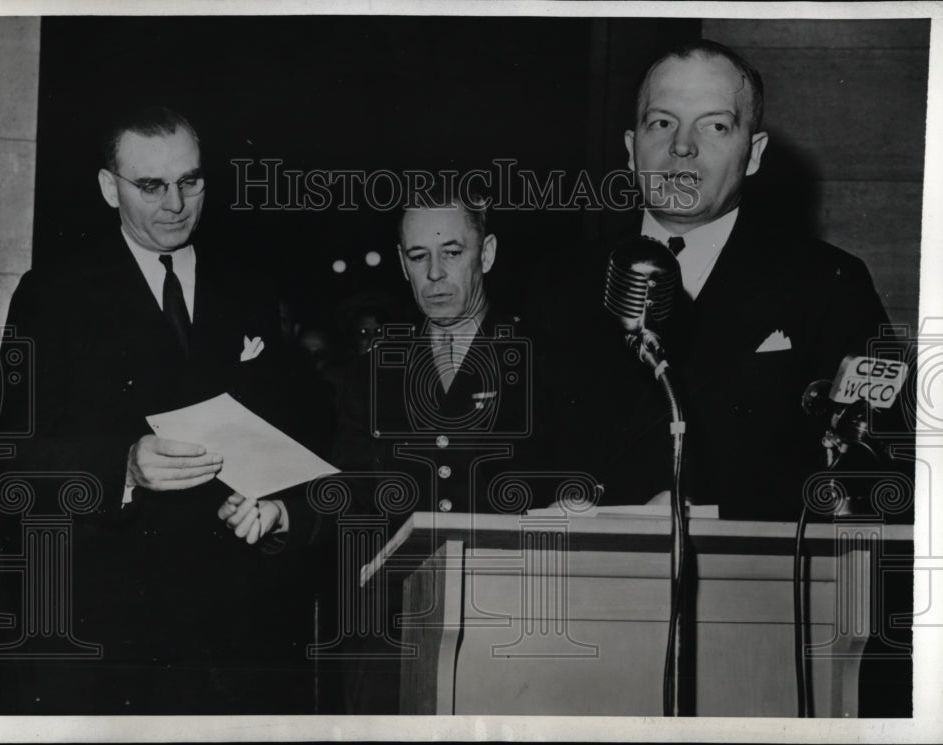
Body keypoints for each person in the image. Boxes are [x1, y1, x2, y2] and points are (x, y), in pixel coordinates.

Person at [0, 106, 331, 714]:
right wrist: (121, 467)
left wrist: (275, 504)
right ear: (109, 188)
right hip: (108, 634)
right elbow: (10, 461)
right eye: (151, 186)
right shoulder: (53, 295)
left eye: (190, 181)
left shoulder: (251, 289)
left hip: (233, 631)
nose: (176, 204)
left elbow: (299, 435)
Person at [545, 40, 910, 523]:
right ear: (632, 149)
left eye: (715, 125)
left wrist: (712, 516)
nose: (682, 145)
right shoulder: (554, 282)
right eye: (662, 122)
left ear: (753, 154)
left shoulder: (827, 285)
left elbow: (883, 472)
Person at [324, 193, 541, 713]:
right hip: (392, 631)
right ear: (402, 264)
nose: (436, 274)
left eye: (452, 252)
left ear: (486, 254)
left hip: (507, 625)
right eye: (419, 256)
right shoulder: (373, 373)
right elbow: (347, 494)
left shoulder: (542, 361)